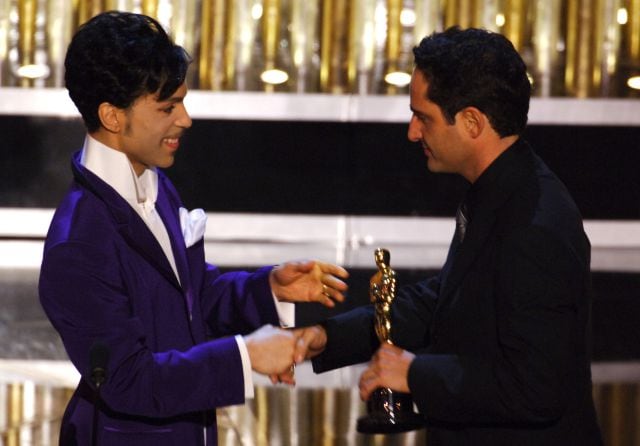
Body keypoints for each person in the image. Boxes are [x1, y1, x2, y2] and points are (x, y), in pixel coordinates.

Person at [38, 11, 348, 446]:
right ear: (111, 115)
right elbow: (129, 380)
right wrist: (246, 356)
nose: (185, 119)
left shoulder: (157, 184)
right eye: (167, 107)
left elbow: (190, 295)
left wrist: (267, 290)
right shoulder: (79, 242)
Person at [294, 27, 603, 445]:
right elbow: (445, 302)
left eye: (423, 117)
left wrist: (413, 373)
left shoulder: (535, 222)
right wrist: (327, 338)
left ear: (472, 122)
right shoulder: (500, 191)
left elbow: (536, 387)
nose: (412, 132)